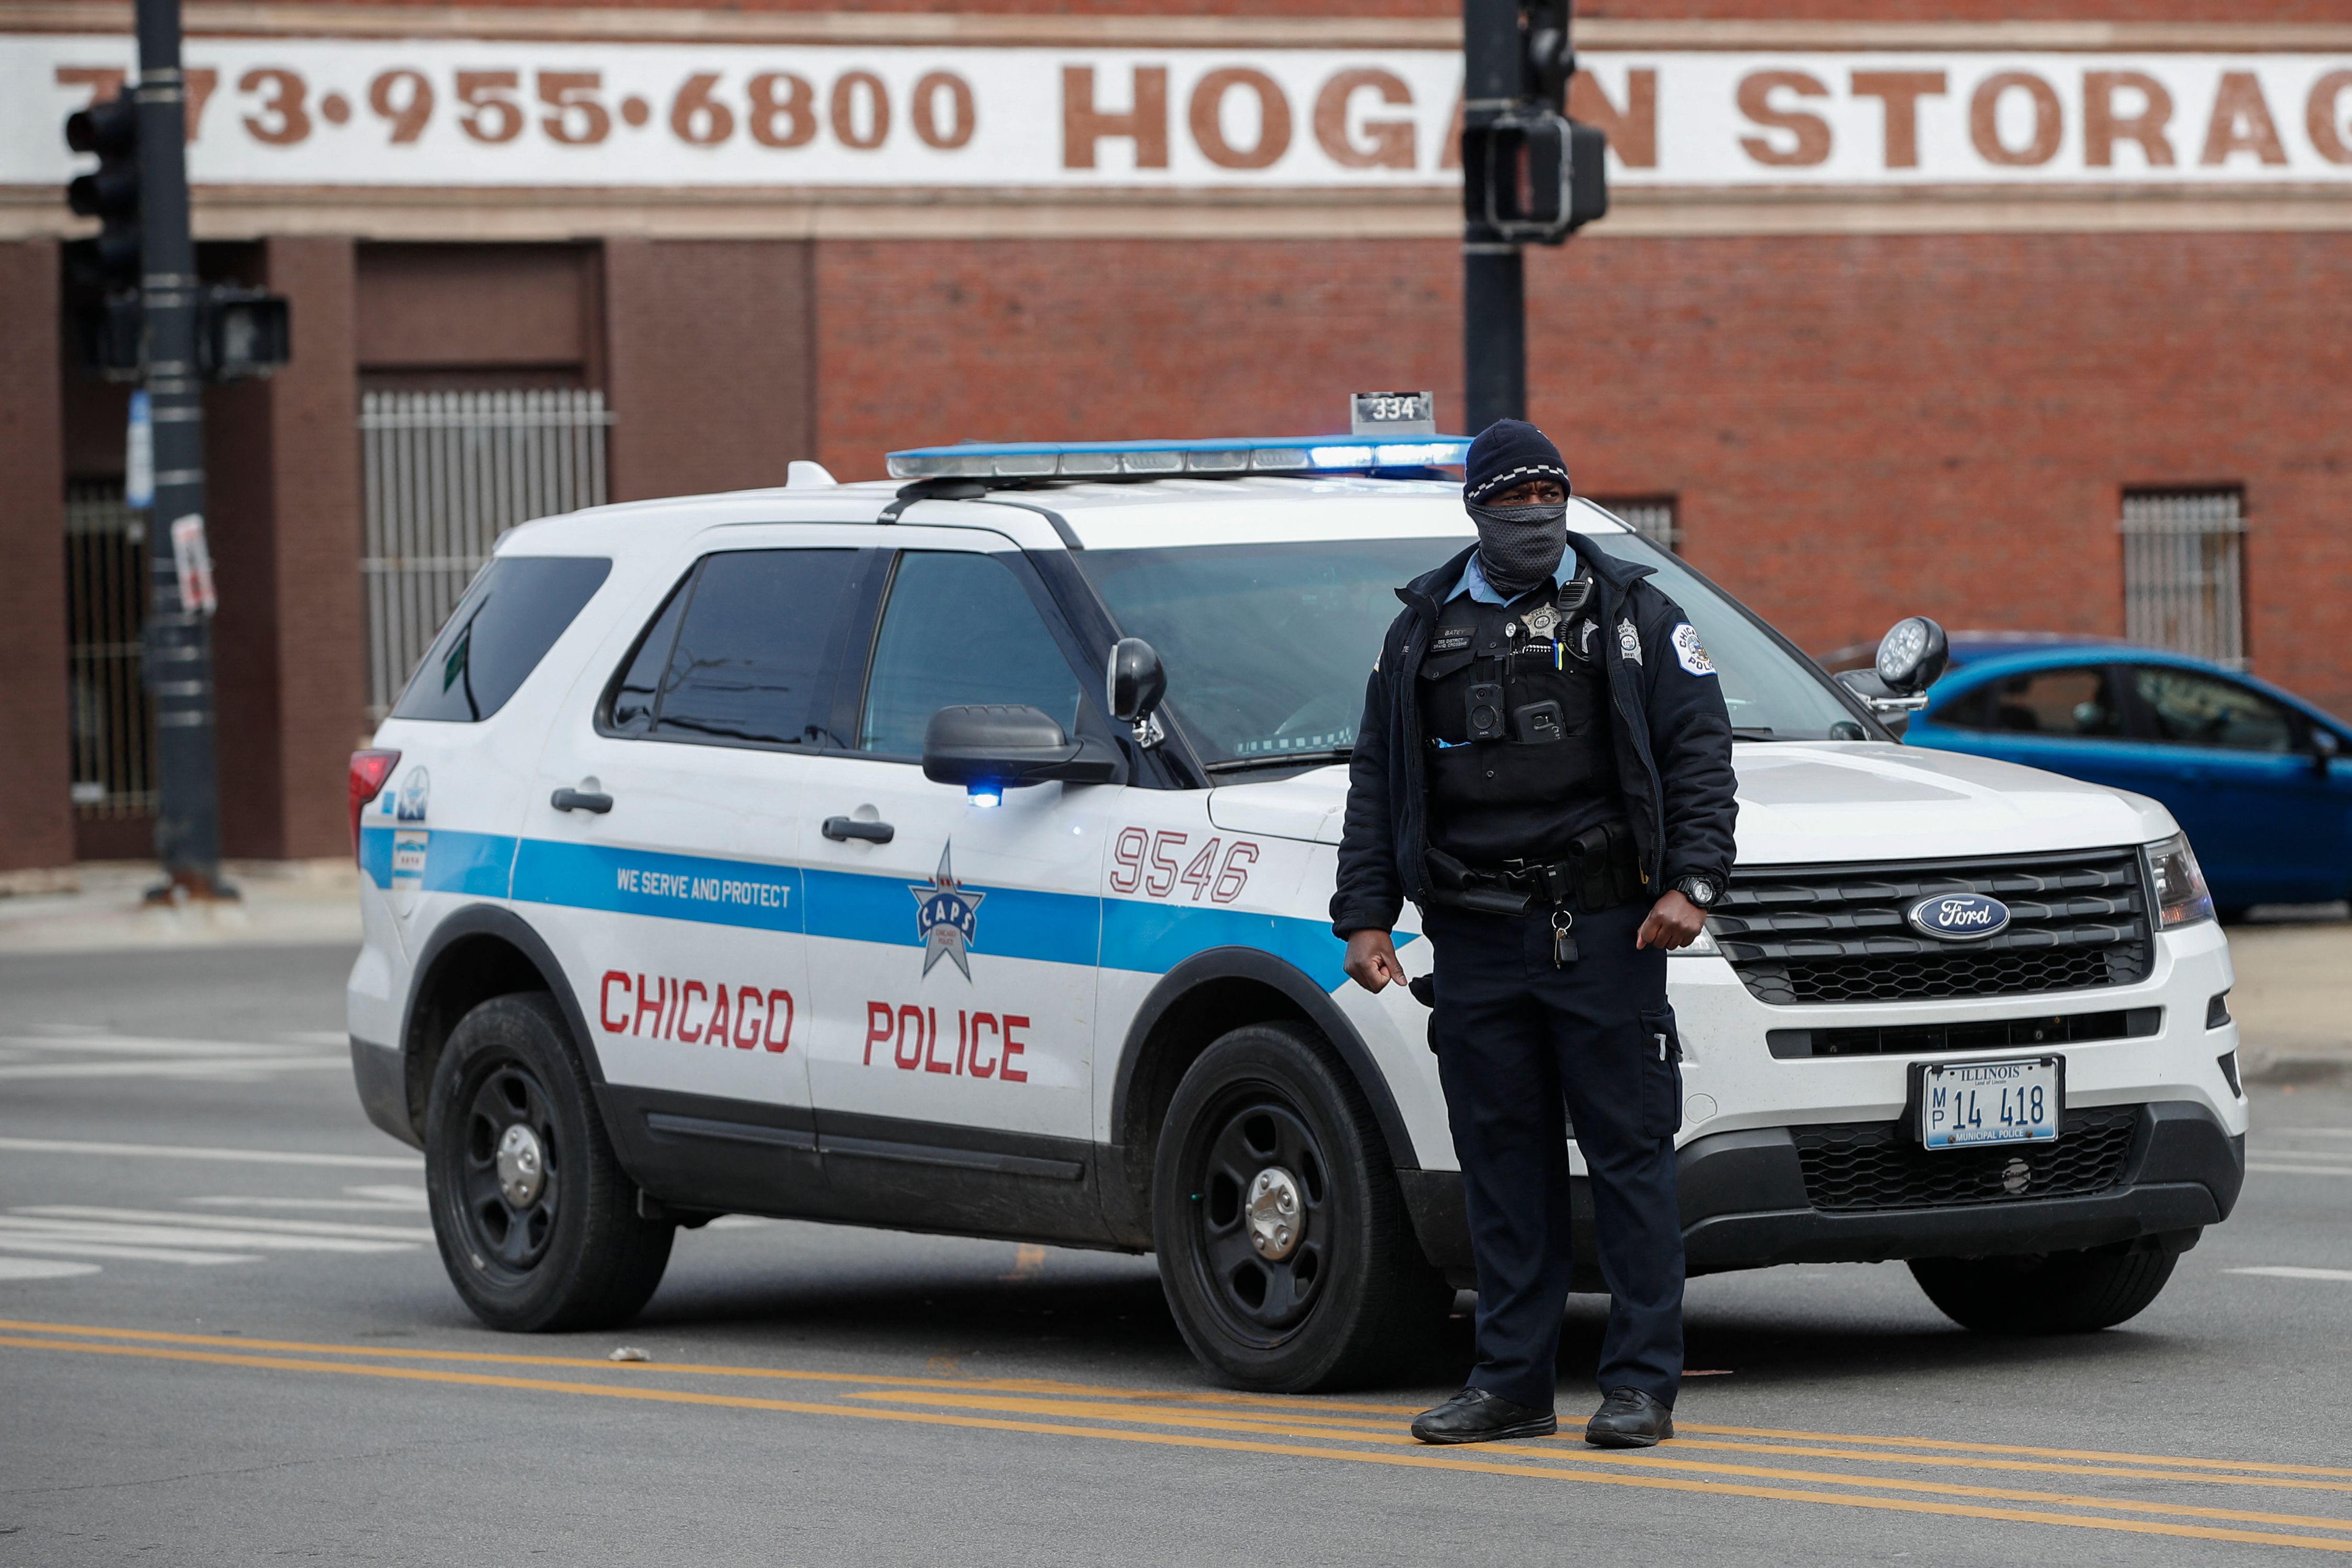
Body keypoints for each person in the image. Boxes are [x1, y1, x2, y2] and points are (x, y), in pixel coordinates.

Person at [1330, 419, 1736, 1448]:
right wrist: (1365, 912)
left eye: (1550, 497)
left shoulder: (1634, 614)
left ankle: (1640, 1385)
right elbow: (1379, 776)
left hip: (1605, 926)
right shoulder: (1422, 626)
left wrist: (1693, 882)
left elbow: (1699, 754)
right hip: (1473, 936)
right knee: (1502, 1164)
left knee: (1630, 1159)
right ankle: (1511, 1384)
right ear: (1478, 510)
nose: (1535, 517)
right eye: (1513, 501)